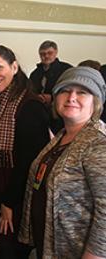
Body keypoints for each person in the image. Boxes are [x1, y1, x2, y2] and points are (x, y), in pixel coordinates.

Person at [19, 66, 106, 258]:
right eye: (65, 90)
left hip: (77, 250)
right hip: (52, 244)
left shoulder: (98, 143)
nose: (71, 97)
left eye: (82, 92)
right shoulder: (62, 135)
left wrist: (94, 255)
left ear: (96, 102)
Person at [0, 43, 50, 259]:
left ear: (15, 67)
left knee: (12, 248)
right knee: (4, 243)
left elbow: (29, 163)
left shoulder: (29, 105)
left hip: (16, 191)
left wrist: (8, 203)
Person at [30, 40, 72, 105]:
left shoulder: (67, 70)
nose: (46, 56)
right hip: (39, 107)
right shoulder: (35, 74)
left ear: (56, 52)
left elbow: (71, 89)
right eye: (43, 54)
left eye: (50, 53)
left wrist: (53, 98)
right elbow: (30, 92)